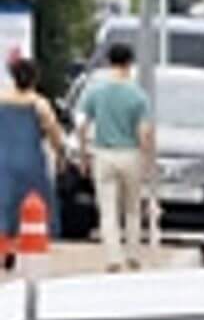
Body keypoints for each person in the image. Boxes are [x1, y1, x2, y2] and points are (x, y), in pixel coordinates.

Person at [76, 42, 153, 272]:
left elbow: (82, 124)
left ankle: (113, 258)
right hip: (130, 154)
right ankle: (133, 254)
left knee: (107, 209)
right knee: (132, 209)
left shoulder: (96, 92)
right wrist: (147, 160)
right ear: (130, 64)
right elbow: (144, 132)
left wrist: (83, 154)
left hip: (104, 154)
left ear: (109, 62)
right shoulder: (139, 96)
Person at [0, 57, 63, 265]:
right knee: (31, 205)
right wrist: (60, 152)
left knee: (4, 204)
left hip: (4, 159)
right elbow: (54, 132)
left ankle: (5, 245)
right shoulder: (39, 104)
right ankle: (24, 243)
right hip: (31, 160)